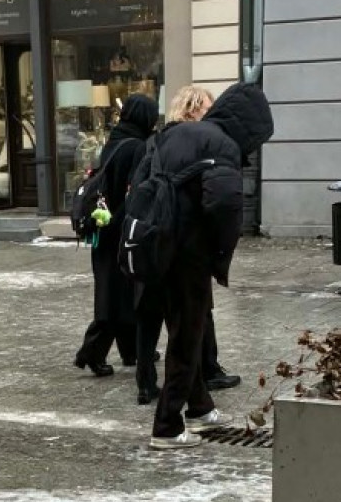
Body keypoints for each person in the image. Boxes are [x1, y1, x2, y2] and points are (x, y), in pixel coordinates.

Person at [133, 82, 273, 449]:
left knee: (185, 328)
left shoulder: (174, 135)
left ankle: (199, 408)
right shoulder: (221, 143)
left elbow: (143, 182)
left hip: (158, 247)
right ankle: (166, 426)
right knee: (187, 335)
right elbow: (224, 204)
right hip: (187, 254)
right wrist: (219, 255)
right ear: (246, 125)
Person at [73, 94, 158, 378]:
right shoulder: (136, 146)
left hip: (103, 226)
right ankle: (91, 353)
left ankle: (131, 349)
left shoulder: (116, 140)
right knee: (114, 296)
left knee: (120, 291)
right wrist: (128, 225)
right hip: (117, 228)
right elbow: (132, 193)